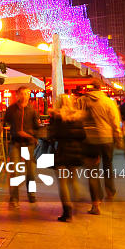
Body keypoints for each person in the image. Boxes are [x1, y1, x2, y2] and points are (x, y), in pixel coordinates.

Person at [79, 80, 122, 213]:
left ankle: (96, 203)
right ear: (100, 88)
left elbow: (78, 119)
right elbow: (115, 121)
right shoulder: (108, 102)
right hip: (106, 138)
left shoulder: (83, 101)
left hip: (90, 139)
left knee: (92, 171)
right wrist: (118, 136)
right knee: (108, 165)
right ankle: (110, 191)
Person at [48, 94, 86, 222]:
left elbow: (51, 135)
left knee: (62, 182)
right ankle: (77, 202)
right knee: (73, 180)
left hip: (61, 152)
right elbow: (83, 136)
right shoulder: (77, 117)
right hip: (75, 152)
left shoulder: (56, 117)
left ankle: (67, 212)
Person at [3, 87, 41, 207]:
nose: (24, 96)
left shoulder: (33, 110)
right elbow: (5, 122)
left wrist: (32, 135)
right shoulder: (11, 109)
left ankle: (31, 194)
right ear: (17, 95)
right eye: (22, 94)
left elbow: (37, 127)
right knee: (14, 171)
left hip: (29, 143)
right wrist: (11, 130)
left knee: (30, 171)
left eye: (26, 94)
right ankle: (14, 198)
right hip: (15, 142)